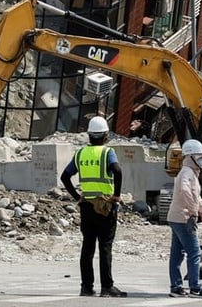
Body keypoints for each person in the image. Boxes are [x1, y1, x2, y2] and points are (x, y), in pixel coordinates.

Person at [60, 116, 127, 298]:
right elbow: (118, 171)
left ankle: (86, 287)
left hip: (87, 206)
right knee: (105, 246)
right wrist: (116, 196)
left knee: (87, 247)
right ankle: (107, 287)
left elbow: (65, 177)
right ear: (105, 135)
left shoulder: (81, 153)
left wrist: (77, 197)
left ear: (89, 135)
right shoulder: (107, 153)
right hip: (105, 206)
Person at [167, 139, 202, 298]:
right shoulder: (187, 172)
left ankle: (176, 287)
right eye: (200, 157)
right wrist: (194, 212)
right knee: (194, 252)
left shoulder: (190, 172)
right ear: (190, 157)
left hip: (177, 217)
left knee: (177, 254)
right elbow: (186, 192)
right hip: (183, 218)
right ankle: (195, 288)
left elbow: (195, 195)